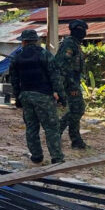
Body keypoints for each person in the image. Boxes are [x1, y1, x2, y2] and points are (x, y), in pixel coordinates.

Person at [10, 29, 65, 164]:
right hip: (43, 96)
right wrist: (61, 96)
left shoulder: (17, 58)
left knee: (31, 127)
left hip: (26, 96)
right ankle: (57, 158)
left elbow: (14, 81)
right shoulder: (45, 54)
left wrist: (17, 98)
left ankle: (36, 156)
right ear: (36, 41)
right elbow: (55, 76)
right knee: (51, 128)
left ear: (23, 42)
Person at [55, 19, 89, 149]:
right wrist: (71, 86)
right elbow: (63, 66)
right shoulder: (69, 44)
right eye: (80, 30)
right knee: (77, 109)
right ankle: (57, 133)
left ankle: (76, 140)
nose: (83, 33)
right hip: (69, 84)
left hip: (73, 82)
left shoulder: (75, 44)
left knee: (76, 109)